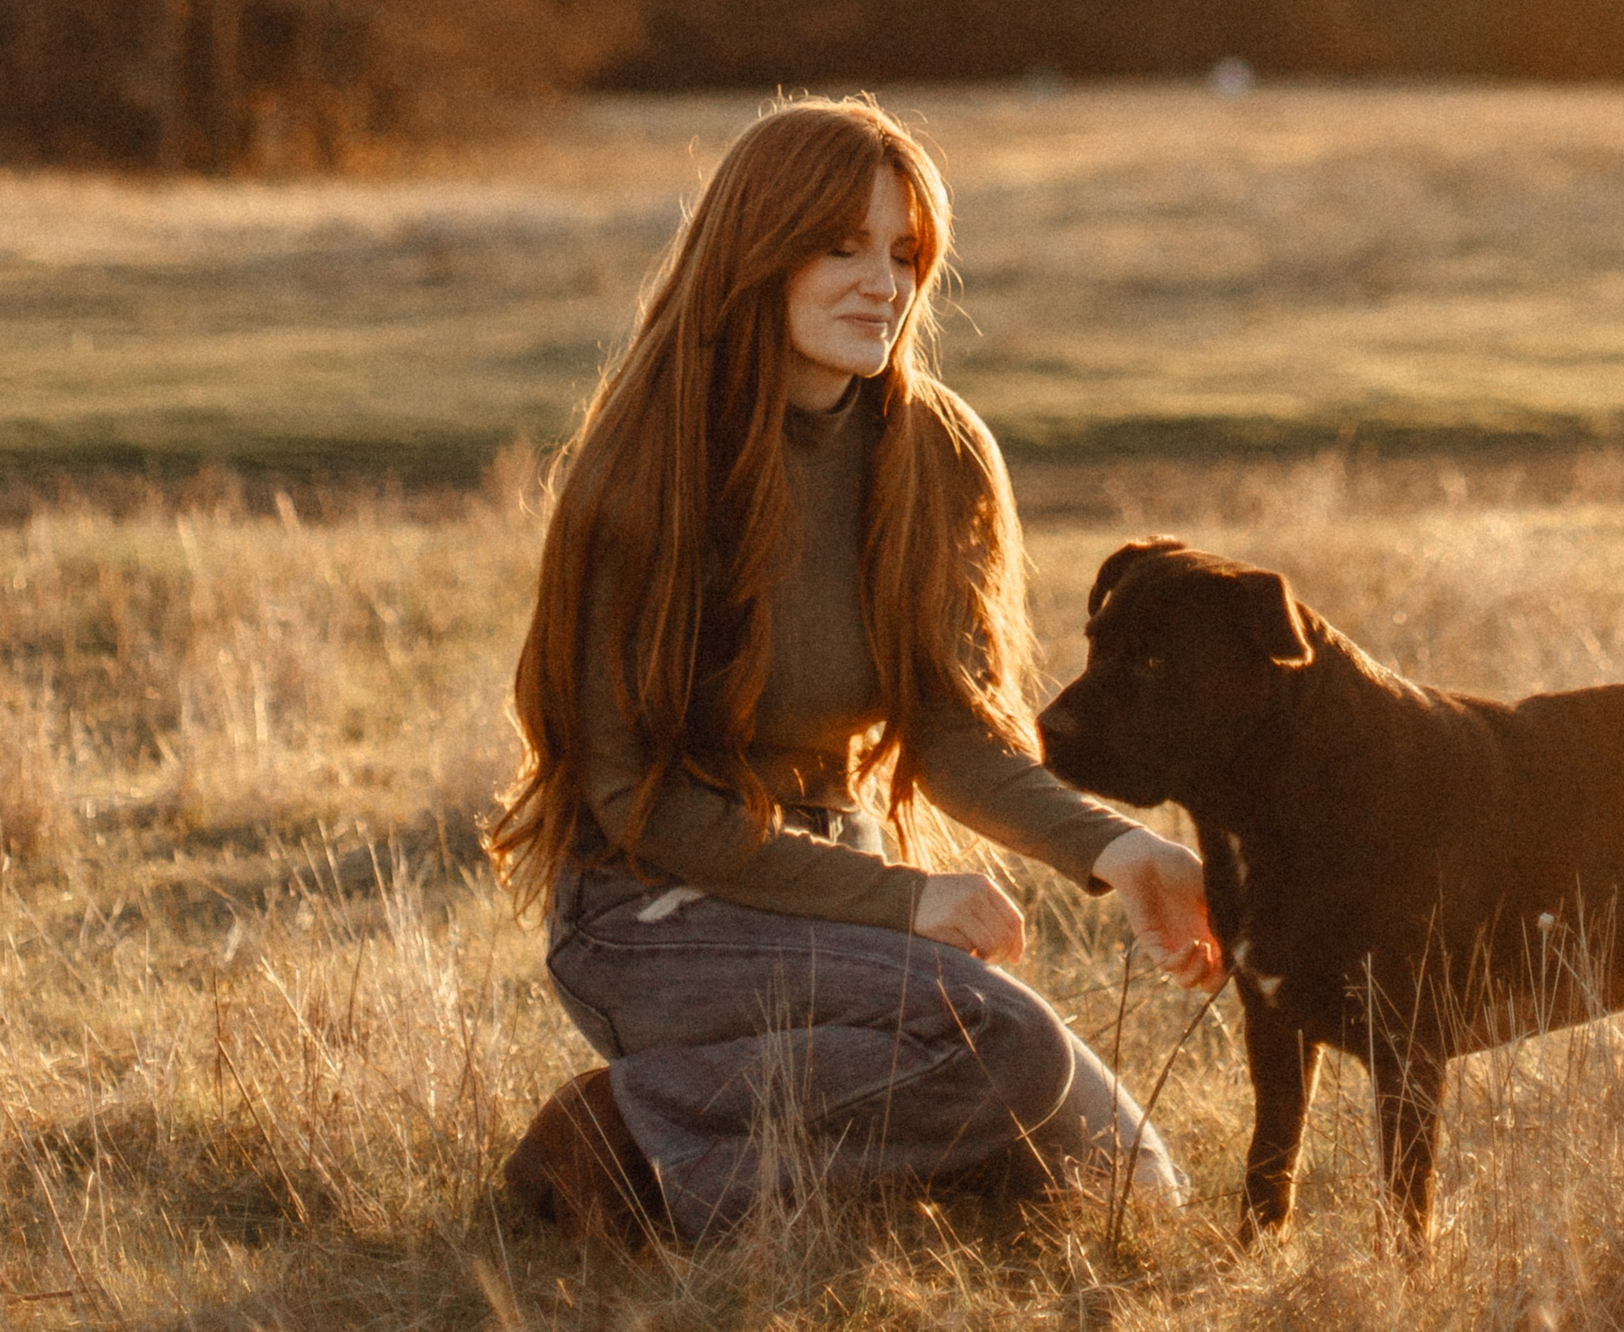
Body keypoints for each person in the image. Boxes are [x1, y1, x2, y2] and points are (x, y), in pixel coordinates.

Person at [488, 96, 1225, 1244]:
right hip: (647, 913)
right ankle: (618, 1143)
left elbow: (953, 733)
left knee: (1126, 1184)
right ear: (756, 248)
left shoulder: (934, 452)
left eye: (902, 253)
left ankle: (757, 1164)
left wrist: (1117, 849)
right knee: (1002, 1047)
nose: (881, 282)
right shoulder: (641, 473)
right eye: (840, 245)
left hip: (827, 881)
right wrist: (907, 901)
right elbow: (633, 799)